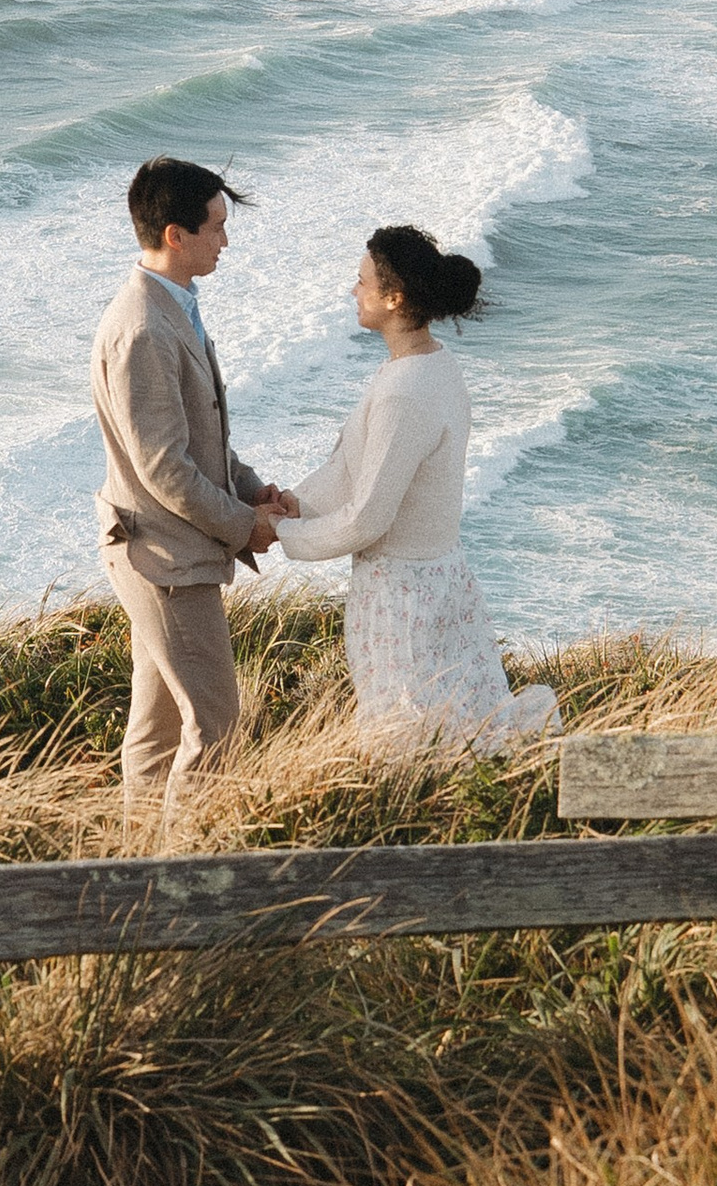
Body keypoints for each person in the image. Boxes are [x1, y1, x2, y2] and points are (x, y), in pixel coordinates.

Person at [272, 221, 558, 744]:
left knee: (410, 734)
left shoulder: (404, 391)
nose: (353, 291)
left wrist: (281, 535)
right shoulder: (433, 366)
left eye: (362, 282)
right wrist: (296, 503)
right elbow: (353, 467)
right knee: (462, 721)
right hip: (440, 578)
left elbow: (369, 516)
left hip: (403, 595)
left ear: (394, 298)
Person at [90, 155, 297, 832]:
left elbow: (200, 435)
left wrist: (250, 487)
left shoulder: (172, 306)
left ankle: (138, 877)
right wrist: (245, 524)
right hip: (165, 560)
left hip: (165, 552)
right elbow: (165, 468)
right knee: (216, 725)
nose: (225, 241)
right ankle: (185, 882)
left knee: (152, 735)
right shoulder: (144, 328)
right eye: (215, 228)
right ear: (175, 235)